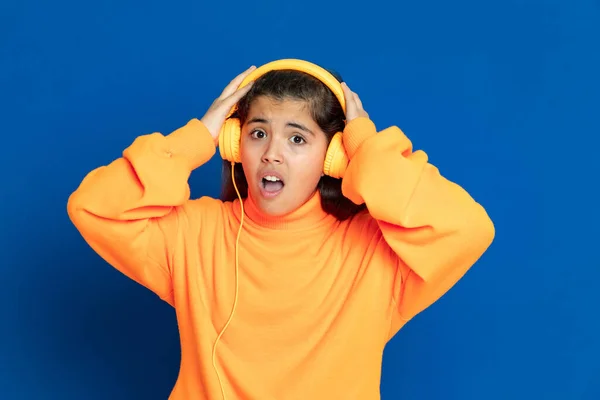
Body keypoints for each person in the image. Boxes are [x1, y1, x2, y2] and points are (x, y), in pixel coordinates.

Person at [67, 59, 495, 400]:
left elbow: (468, 229)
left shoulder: (376, 251)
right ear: (235, 144)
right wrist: (198, 136)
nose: (271, 154)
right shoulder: (193, 234)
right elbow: (92, 207)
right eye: (257, 133)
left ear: (334, 158)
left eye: (297, 139)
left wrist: (367, 150)